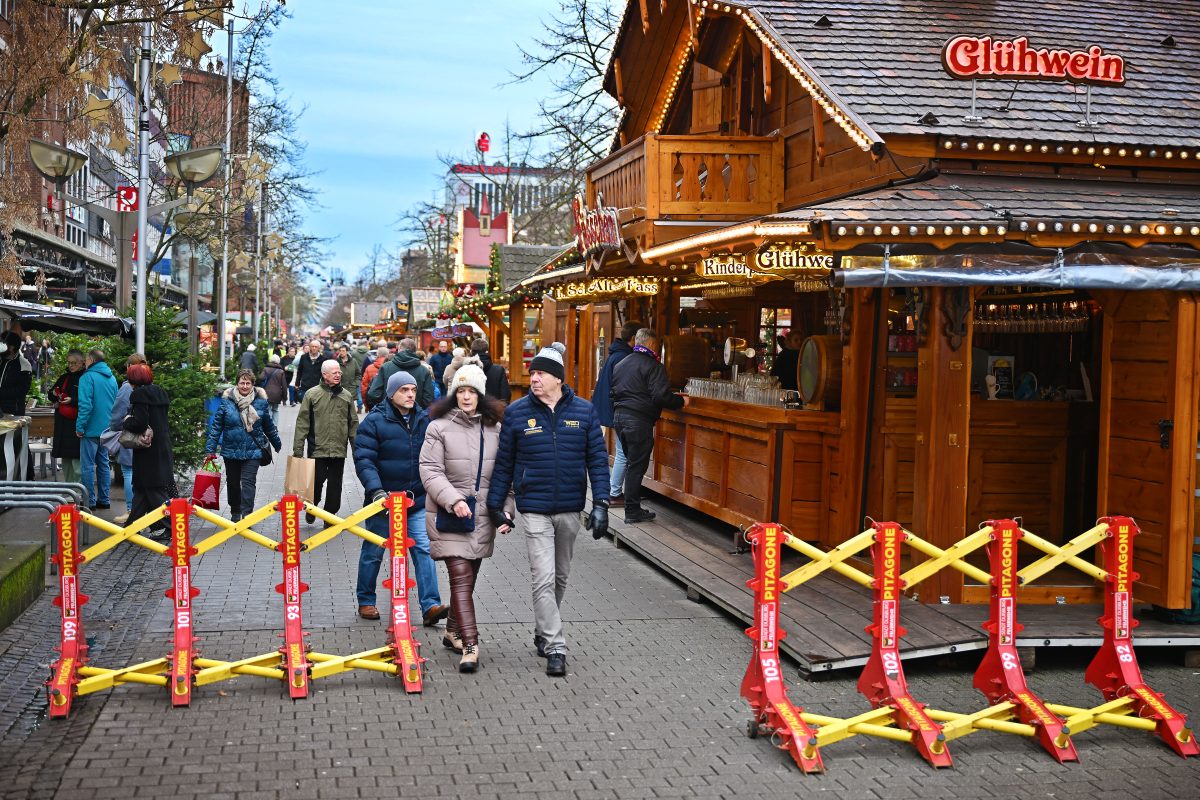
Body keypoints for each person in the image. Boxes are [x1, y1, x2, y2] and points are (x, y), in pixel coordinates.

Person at [486, 342, 609, 677]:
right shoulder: (517, 413)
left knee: (561, 576)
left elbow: (597, 461)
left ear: (557, 378)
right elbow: (504, 464)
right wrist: (496, 505)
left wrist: (601, 503)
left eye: (540, 372)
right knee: (542, 576)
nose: (534, 378)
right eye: (532, 373)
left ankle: (543, 630)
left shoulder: (584, 412)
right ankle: (556, 645)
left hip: (570, 508)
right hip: (535, 508)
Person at [419, 362, 513, 672]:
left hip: (483, 516)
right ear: (453, 394)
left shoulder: (496, 428)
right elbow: (430, 470)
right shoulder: (438, 427)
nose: (466, 396)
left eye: (472, 391)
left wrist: (507, 511)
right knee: (460, 579)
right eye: (461, 391)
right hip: (449, 516)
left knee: (467, 581)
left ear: (481, 394)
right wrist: (453, 499)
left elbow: (506, 474)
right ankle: (470, 644)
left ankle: (451, 632)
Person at [354, 370, 448, 627]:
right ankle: (366, 599)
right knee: (374, 550)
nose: (409, 395)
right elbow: (364, 460)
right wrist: (376, 491)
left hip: (416, 499)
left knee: (424, 549)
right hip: (383, 501)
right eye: (404, 390)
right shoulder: (373, 421)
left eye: (413, 390)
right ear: (391, 393)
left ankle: (430, 606)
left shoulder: (424, 419)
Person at [609, 328, 688, 524]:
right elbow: (661, 396)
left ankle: (632, 507)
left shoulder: (621, 363)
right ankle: (632, 511)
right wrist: (680, 402)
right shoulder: (653, 366)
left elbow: (614, 391)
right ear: (652, 344)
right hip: (638, 421)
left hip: (619, 418)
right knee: (636, 466)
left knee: (631, 463)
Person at [205, 369, 282, 521]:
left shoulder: (261, 402)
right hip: (231, 450)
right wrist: (210, 449)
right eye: (242, 383)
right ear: (237, 383)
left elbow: (268, 425)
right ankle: (235, 512)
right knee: (233, 484)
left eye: (248, 383)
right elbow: (216, 427)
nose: (245, 386)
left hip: (253, 450)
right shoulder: (226, 402)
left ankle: (247, 514)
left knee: (248, 483)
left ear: (253, 384)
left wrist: (276, 443)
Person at [293, 359, 358, 525]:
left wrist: (356, 448)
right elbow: (302, 423)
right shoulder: (312, 394)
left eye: (339, 372)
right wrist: (298, 450)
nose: (338, 375)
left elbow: (353, 424)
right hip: (317, 448)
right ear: (324, 375)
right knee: (315, 483)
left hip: (338, 449)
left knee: (335, 486)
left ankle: (329, 516)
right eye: (334, 372)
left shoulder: (346, 396)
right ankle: (311, 507)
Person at [591, 321, 641, 508]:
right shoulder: (624, 357)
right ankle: (614, 493)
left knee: (622, 452)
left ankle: (613, 491)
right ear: (634, 338)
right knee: (623, 453)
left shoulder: (617, 354)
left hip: (611, 408)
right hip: (618, 409)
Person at [121, 363, 173, 539]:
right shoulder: (160, 392)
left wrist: (127, 420)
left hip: (148, 451)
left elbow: (140, 423)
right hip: (161, 446)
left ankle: (172, 526)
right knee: (142, 490)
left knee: (153, 489)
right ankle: (131, 527)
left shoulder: (139, 394)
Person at [76, 349, 117, 510]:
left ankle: (89, 501)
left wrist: (80, 427)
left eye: (86, 359)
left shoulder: (87, 377)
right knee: (104, 465)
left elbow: (85, 405)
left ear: (92, 360)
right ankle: (104, 500)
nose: (84, 362)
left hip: (91, 429)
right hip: (107, 429)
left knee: (87, 466)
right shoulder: (112, 378)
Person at [109, 353, 147, 525]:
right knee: (137, 474)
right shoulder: (147, 385)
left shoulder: (126, 388)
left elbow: (117, 415)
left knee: (128, 472)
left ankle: (132, 510)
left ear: (128, 368)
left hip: (130, 437)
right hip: (145, 438)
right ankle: (140, 509)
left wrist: (115, 427)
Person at [48, 349, 84, 487]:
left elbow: (88, 399)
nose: (71, 365)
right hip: (63, 424)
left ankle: (78, 490)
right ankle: (69, 488)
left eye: (74, 363)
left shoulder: (85, 377)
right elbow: (51, 392)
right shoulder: (64, 377)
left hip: (76, 424)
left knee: (77, 460)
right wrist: (54, 394)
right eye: (69, 363)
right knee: (66, 460)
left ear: (81, 363)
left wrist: (73, 400)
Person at [366, 338, 434, 408]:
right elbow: (428, 398)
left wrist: (383, 408)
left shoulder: (385, 367)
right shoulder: (424, 371)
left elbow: (373, 394)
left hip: (389, 414)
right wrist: (419, 411)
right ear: (415, 351)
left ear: (399, 349)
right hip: (414, 415)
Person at [0, 330, 33, 414]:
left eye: (2, 344)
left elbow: (22, 390)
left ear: (11, 347)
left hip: (14, 412)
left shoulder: (24, 364)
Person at [359, 344, 389, 412]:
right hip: (389, 404)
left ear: (377, 355)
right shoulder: (392, 367)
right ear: (387, 355)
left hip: (373, 404)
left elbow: (364, 388)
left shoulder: (369, 368)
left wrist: (366, 405)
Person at [260, 353, 289, 418]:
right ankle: (275, 426)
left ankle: (270, 426)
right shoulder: (281, 371)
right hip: (277, 394)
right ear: (278, 361)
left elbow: (261, 378)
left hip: (266, 393)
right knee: (275, 410)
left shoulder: (265, 369)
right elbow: (284, 386)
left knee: (269, 409)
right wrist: (285, 397)